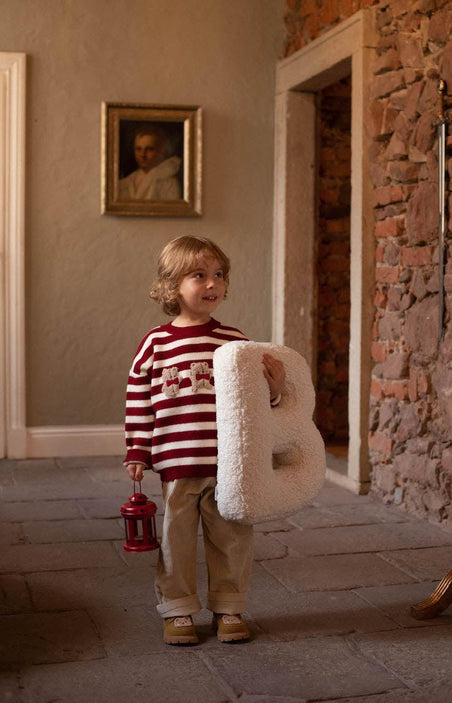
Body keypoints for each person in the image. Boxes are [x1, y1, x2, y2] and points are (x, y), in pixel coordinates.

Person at [123, 235, 285, 646]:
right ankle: (177, 609)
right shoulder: (155, 344)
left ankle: (229, 606)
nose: (212, 283)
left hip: (227, 464)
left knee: (232, 536)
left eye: (219, 275)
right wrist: (138, 450)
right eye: (200, 275)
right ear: (172, 285)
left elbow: (253, 401)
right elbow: (139, 400)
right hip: (177, 461)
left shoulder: (234, 341)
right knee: (175, 539)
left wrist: (274, 389)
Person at [119, 126, 182, 201]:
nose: (142, 154)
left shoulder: (169, 182)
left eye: (149, 149)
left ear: (161, 152)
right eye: (138, 149)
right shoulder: (127, 182)